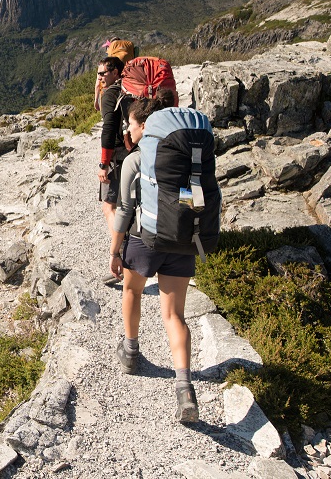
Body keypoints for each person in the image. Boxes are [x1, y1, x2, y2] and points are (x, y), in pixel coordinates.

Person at [108, 89, 199, 423]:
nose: (127, 132)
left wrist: (115, 250)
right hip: (181, 239)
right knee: (175, 316)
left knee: (132, 291)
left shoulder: (136, 159)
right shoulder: (186, 157)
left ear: (144, 125)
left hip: (144, 240)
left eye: (130, 125)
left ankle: (130, 352)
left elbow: (124, 210)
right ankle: (185, 389)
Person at [97, 56, 127, 235]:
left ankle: (119, 249)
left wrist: (104, 164)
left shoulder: (111, 94)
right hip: (137, 151)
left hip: (118, 156)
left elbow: (108, 130)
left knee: (109, 206)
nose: (99, 78)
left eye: (102, 73)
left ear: (115, 72)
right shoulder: (129, 89)